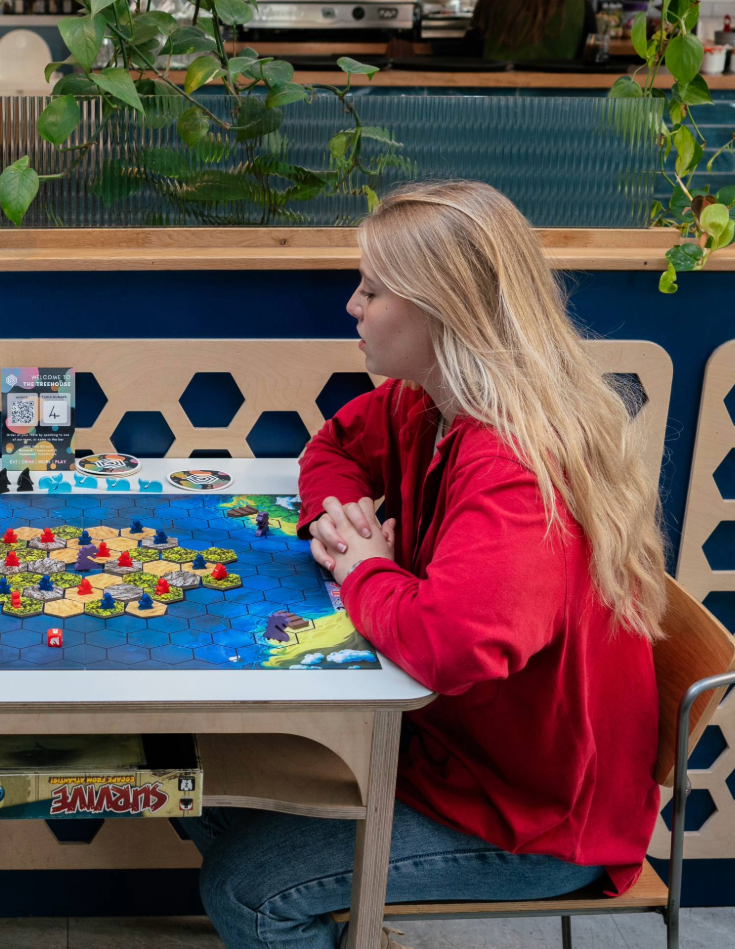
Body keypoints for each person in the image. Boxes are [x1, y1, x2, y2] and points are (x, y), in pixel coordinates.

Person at [186, 180, 664, 948]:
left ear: (443, 311)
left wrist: (366, 567)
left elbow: (449, 643)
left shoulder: (515, 459)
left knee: (243, 887)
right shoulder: (427, 399)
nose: (352, 305)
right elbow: (335, 448)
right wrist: (343, 522)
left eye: (373, 290)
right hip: (449, 753)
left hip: (534, 818)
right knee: (210, 779)